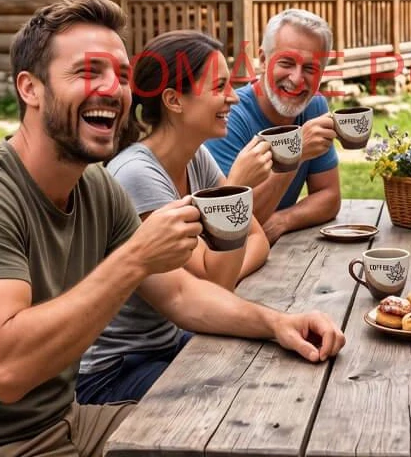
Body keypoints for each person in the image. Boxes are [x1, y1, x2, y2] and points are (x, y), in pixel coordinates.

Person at [0, 0, 345, 457]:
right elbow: (7, 370)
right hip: (0, 446)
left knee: (245, 423)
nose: (112, 89)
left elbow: (182, 295)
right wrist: (135, 257)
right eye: (88, 72)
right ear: (31, 89)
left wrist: (279, 323)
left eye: (121, 76)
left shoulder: (97, 188)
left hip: (71, 422)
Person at [77, 30, 274, 404]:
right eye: (219, 86)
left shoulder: (195, 156)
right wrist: (234, 190)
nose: (233, 96)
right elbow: (218, 280)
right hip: (115, 371)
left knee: (264, 365)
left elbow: (257, 239)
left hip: (167, 343)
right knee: (240, 395)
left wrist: (222, 265)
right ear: (173, 100)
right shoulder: (137, 175)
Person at [206, 9, 341, 244]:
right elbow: (231, 223)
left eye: (310, 68)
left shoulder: (314, 106)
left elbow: (329, 197)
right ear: (263, 60)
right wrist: (295, 153)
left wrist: (283, 220)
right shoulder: (229, 117)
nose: (297, 79)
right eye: (286, 63)